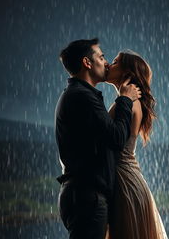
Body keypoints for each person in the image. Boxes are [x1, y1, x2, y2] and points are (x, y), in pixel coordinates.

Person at [54, 38, 142, 239]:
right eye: (101, 57)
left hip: (83, 193)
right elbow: (117, 138)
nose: (106, 62)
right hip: (87, 196)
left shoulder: (78, 94)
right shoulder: (83, 97)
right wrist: (125, 99)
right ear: (87, 63)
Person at [105, 50, 168, 239]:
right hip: (129, 180)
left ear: (127, 73)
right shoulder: (132, 103)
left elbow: (112, 142)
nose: (108, 64)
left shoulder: (128, 104)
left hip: (124, 183)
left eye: (115, 62)